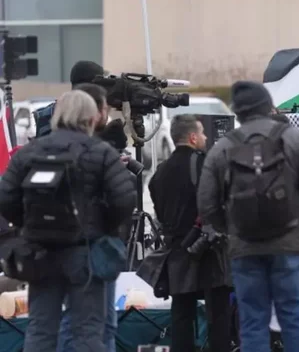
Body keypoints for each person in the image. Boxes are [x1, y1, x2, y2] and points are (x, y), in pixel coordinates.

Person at [0, 90, 136, 351]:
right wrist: (101, 227)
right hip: (85, 254)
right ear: (92, 118)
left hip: (40, 254)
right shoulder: (101, 152)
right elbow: (123, 200)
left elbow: (6, 199)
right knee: (87, 331)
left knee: (40, 329)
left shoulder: (30, 153)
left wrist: (28, 225)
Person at [198, 81, 299, 352]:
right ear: (267, 105)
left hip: (244, 246)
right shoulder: (295, 138)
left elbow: (207, 203)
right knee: (294, 321)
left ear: (237, 111)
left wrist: (231, 227)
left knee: (252, 323)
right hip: (289, 243)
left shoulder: (222, 147)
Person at [149, 114, 232, 352]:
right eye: (202, 133)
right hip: (210, 248)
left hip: (177, 249)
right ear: (193, 137)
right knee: (218, 313)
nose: (206, 137)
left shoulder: (160, 172)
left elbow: (159, 211)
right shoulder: (206, 164)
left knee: (181, 313)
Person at [56, 83, 125, 352]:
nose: (107, 113)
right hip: (86, 247)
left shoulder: (96, 149)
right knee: (82, 322)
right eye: (105, 108)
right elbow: (123, 200)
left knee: (104, 322)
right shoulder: (91, 151)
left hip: (91, 245)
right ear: (94, 112)